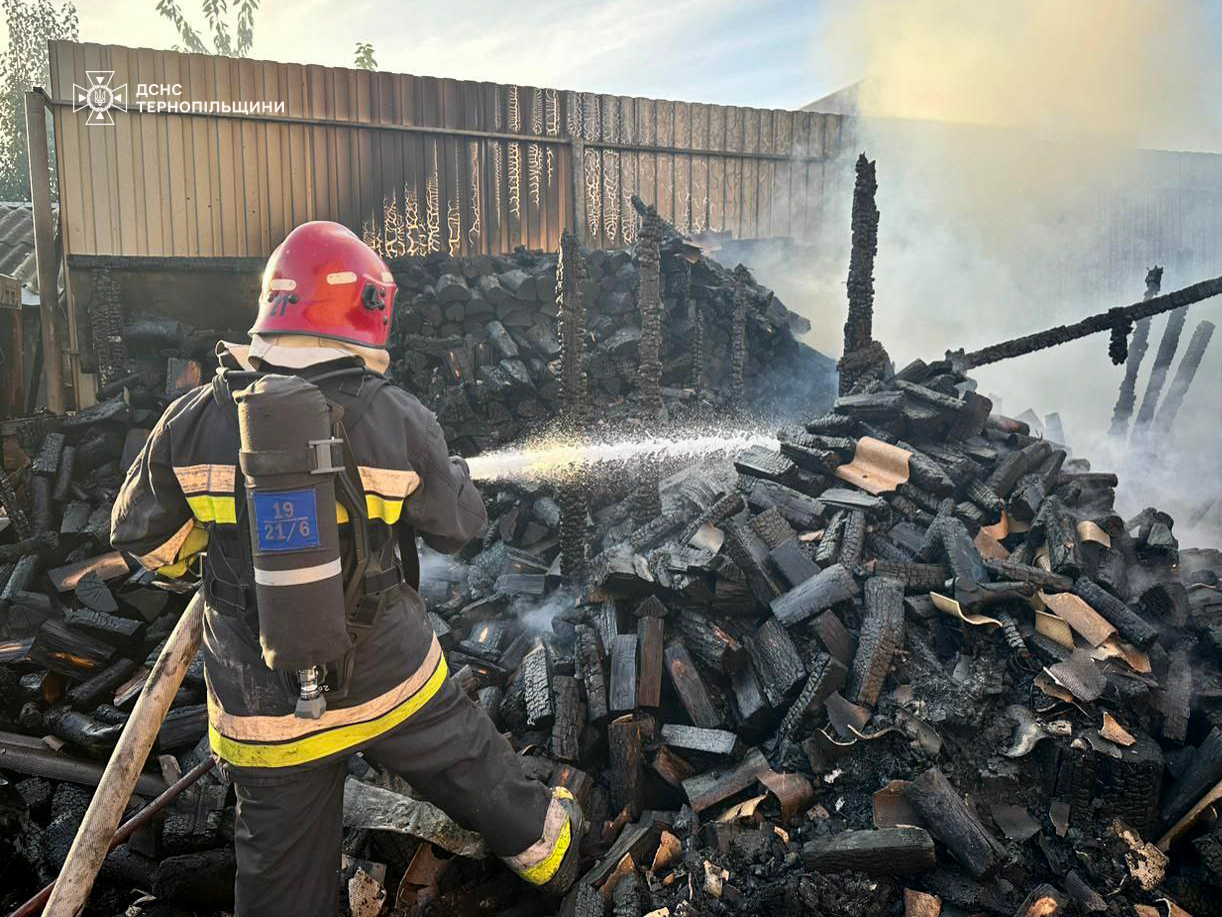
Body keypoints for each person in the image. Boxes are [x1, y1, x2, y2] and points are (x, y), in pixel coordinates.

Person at [111, 221, 581, 916]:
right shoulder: (393, 418)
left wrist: (216, 560)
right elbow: (461, 527)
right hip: (390, 680)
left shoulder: (189, 424)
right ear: (365, 314)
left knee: (276, 878)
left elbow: (146, 545)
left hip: (262, 709)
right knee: (476, 766)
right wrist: (441, 473)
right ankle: (556, 853)